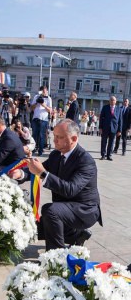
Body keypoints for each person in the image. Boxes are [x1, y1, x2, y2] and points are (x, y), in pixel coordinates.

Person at [11, 119, 102, 251]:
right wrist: (21, 173)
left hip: (84, 210)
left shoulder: (85, 161)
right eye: (54, 136)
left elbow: (70, 189)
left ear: (74, 138)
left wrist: (42, 173)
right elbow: (39, 169)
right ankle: (76, 235)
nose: (55, 140)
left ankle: (56, 256)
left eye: (59, 137)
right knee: (35, 227)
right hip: (64, 207)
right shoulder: (56, 155)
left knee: (50, 211)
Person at [31, 86, 52, 156]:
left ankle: (40, 150)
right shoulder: (36, 97)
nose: (43, 92)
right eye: (42, 91)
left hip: (43, 119)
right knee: (34, 134)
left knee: (41, 135)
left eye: (44, 91)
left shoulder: (48, 98)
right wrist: (37, 102)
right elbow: (32, 108)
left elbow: (50, 110)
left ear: (46, 91)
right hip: (35, 118)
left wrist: (43, 104)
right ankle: (33, 149)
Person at [99, 96, 122, 161]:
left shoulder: (119, 109)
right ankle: (103, 155)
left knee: (111, 142)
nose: (112, 101)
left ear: (116, 101)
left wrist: (119, 130)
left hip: (114, 128)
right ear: (109, 101)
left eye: (113, 100)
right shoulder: (105, 107)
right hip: (105, 128)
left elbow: (120, 120)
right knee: (104, 142)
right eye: (111, 100)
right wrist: (100, 127)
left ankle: (109, 155)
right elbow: (101, 118)